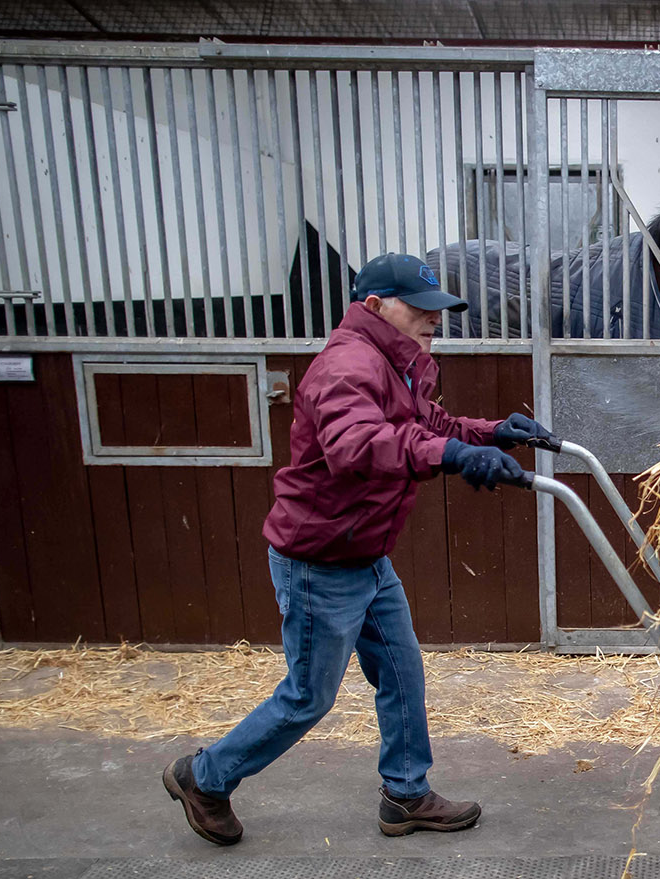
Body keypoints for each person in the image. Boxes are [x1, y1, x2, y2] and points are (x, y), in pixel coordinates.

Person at [162, 253, 554, 846]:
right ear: (374, 306)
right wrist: (449, 458)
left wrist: (489, 432)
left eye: (437, 310)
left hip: (364, 554)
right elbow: (357, 445)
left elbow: (427, 423)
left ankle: (405, 794)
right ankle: (204, 776)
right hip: (319, 562)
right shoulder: (346, 366)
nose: (433, 320)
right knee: (307, 698)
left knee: (402, 672)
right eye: (420, 309)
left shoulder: (398, 363)